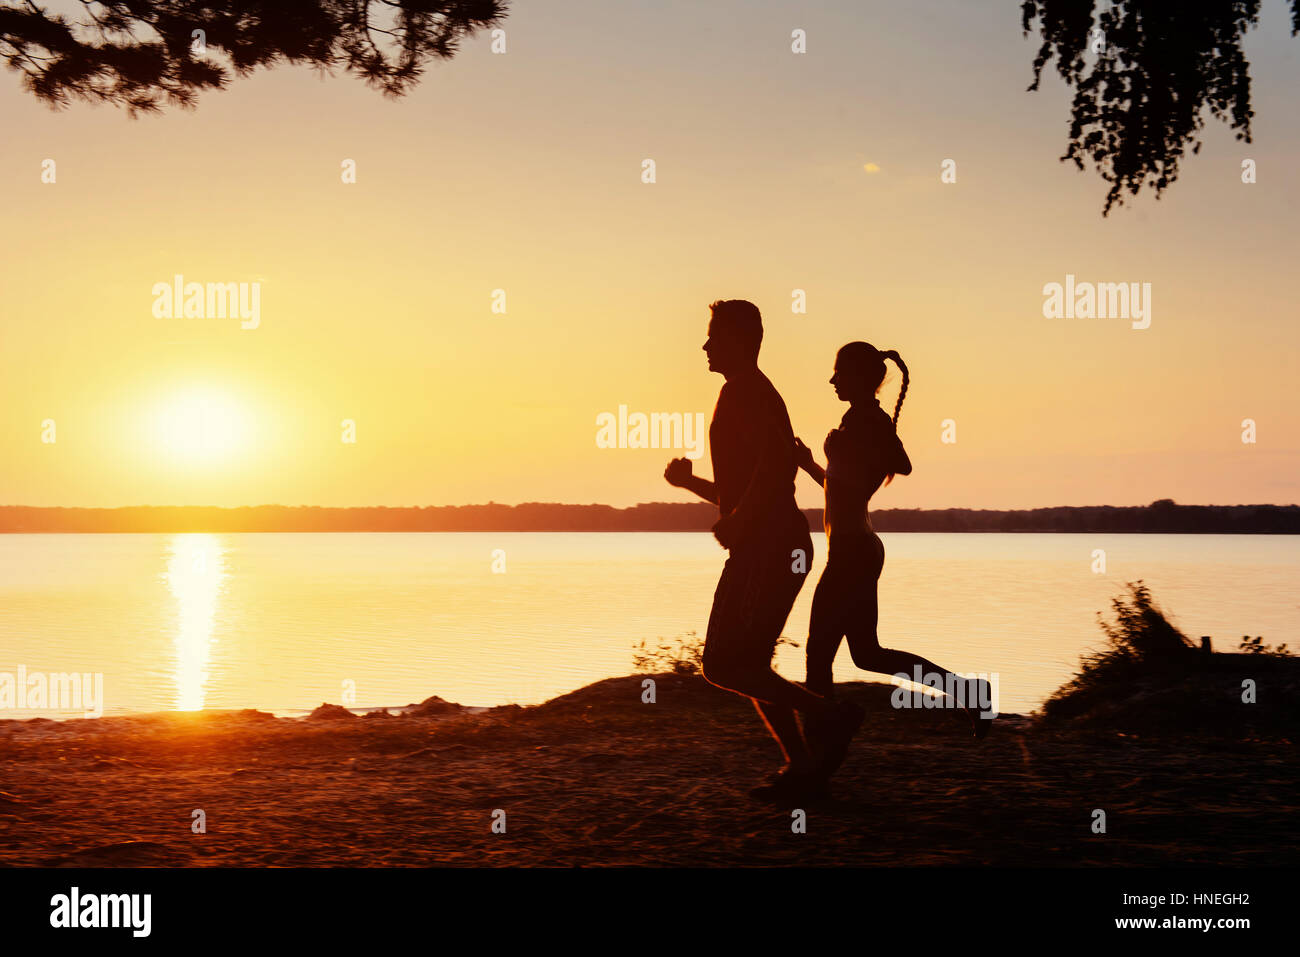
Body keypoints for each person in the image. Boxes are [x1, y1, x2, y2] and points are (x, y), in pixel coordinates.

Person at [665, 300, 864, 802]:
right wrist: (694, 487)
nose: (705, 345)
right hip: (761, 545)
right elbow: (745, 489)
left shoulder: (751, 392)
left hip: (773, 547)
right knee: (730, 665)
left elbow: (777, 465)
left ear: (742, 340)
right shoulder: (735, 393)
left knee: (734, 664)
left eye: (714, 335)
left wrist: (740, 520)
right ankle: (805, 761)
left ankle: (827, 724)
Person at [795, 342, 993, 779]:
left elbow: (896, 464)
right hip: (857, 549)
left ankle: (813, 763)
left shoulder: (868, 420)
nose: (831, 381)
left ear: (862, 378)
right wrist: (811, 465)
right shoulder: (862, 421)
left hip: (852, 553)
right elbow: (845, 486)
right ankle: (968, 692)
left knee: (818, 658)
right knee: (866, 655)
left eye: (838, 374)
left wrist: (859, 444)